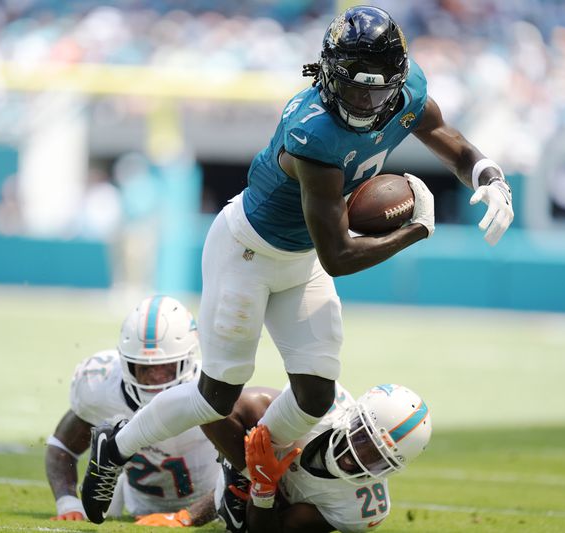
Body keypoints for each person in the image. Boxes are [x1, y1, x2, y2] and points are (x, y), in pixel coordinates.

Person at [80, 6, 512, 523]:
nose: (365, 102)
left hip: (300, 258)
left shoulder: (409, 91)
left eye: (376, 92)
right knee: (218, 394)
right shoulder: (313, 131)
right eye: (353, 88)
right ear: (328, 75)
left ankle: (252, 470)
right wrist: (414, 230)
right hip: (248, 251)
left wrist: (488, 176)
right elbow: (338, 256)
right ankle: (117, 445)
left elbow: (452, 143)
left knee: (315, 396)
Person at [46, 296, 219, 527]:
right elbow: (62, 446)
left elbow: (239, 473)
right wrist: (68, 503)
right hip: (134, 504)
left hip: (210, 506)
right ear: (125, 363)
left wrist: (188, 516)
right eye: (145, 367)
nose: (155, 377)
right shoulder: (101, 387)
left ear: (187, 362)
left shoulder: (210, 394)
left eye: (166, 367)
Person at [202, 382, 431, 532]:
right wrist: (252, 468)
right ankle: (240, 475)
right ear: (351, 419)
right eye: (363, 438)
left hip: (278, 502)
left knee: (243, 528)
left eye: (379, 458)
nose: (359, 458)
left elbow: (278, 529)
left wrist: (264, 487)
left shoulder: (361, 507)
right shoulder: (325, 407)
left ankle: (245, 485)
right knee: (221, 405)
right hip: (269, 454)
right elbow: (217, 410)